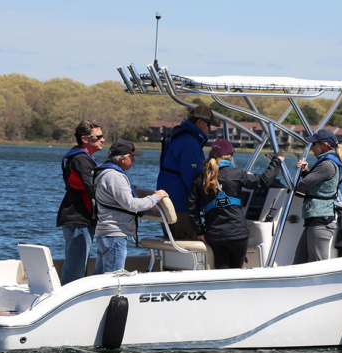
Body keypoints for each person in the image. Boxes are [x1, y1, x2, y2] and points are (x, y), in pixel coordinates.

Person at [187, 139, 284, 269]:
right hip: (237, 233)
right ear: (230, 156)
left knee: (222, 272)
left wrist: (199, 231)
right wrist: (276, 160)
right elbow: (264, 180)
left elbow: (192, 207)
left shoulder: (201, 178)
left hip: (215, 234)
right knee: (236, 272)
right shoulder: (236, 174)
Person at [92, 140, 168, 274]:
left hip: (105, 233)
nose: (133, 161)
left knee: (100, 275)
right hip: (115, 235)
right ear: (122, 159)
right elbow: (132, 205)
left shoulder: (104, 172)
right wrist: (157, 197)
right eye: (132, 157)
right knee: (114, 278)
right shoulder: (115, 176)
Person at [157, 105, 221, 240]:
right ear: (199, 122)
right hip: (182, 209)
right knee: (188, 247)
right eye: (209, 124)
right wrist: (206, 204)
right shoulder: (189, 142)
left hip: (169, 206)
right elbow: (193, 179)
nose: (209, 129)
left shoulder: (177, 136)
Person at [56, 120, 105, 285]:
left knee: (77, 265)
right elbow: (92, 188)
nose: (102, 140)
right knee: (75, 269)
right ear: (85, 139)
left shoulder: (81, 157)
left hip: (79, 218)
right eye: (98, 137)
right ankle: (65, 306)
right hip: (78, 218)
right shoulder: (81, 159)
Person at [293, 129, 342, 263]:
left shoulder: (326, 165)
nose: (312, 147)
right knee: (299, 262)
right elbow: (313, 184)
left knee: (317, 264)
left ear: (325, 146)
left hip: (320, 222)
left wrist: (300, 175)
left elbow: (301, 186)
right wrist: (305, 172)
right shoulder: (326, 163)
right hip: (315, 220)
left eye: (314, 144)